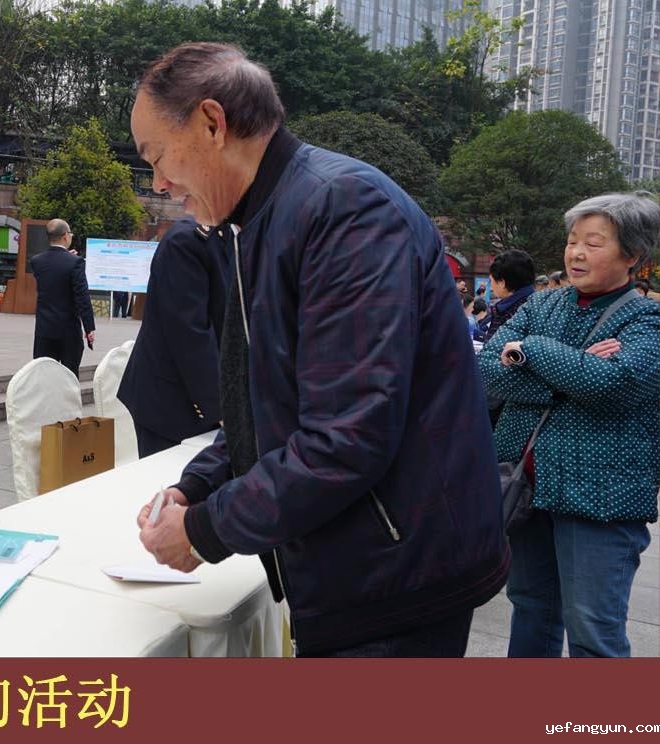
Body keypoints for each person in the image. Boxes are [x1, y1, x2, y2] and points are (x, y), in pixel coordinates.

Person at [127, 42, 503, 657]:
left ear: (212, 123)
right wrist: (196, 487)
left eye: (157, 156)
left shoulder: (345, 210)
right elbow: (265, 402)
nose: (160, 184)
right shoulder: (263, 219)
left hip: (396, 574)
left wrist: (203, 529)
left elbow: (347, 435)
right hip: (359, 558)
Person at [480, 192, 660, 658]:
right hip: (526, 490)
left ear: (632, 255)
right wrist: (575, 371)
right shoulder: (544, 305)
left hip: (600, 498)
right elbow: (487, 371)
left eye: (593, 243)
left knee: (592, 629)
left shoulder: (647, 320)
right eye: (572, 241)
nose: (576, 253)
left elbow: (615, 384)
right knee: (531, 609)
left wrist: (532, 350)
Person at [117, 220, 224, 456]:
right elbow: (189, 334)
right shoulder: (186, 241)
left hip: (202, 393)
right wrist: (224, 408)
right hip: (170, 403)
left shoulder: (235, 238)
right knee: (170, 475)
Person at [28, 218, 95, 373]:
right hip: (68, 332)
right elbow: (82, 297)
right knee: (69, 376)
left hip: (44, 331)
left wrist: (67, 258)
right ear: (65, 236)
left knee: (44, 374)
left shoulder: (37, 261)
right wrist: (89, 328)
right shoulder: (76, 262)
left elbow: (54, 268)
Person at [475, 249, 539, 344]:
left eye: (491, 281)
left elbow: (495, 346)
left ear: (502, 282)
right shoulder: (539, 304)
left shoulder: (512, 312)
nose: (491, 286)